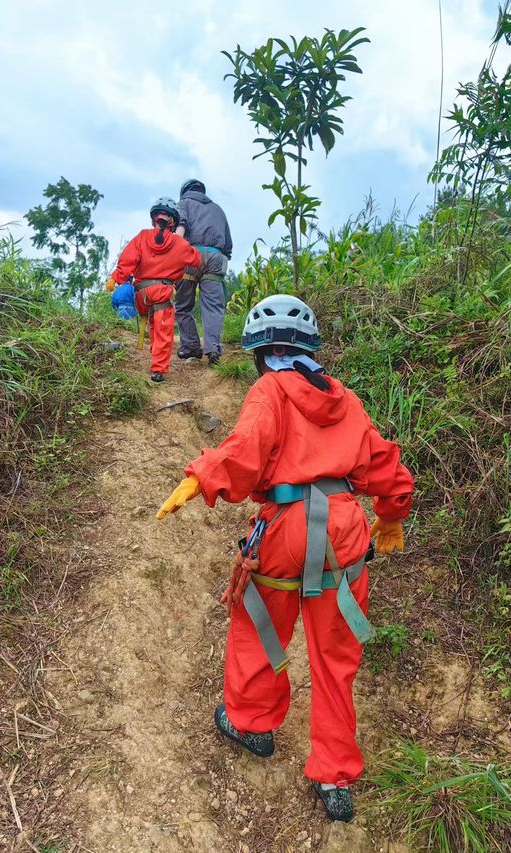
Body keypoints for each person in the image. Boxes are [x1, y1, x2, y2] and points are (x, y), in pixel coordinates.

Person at [156, 294, 414, 821]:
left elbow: (245, 454)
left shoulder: (269, 390)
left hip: (285, 527)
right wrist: (390, 514)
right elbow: (383, 462)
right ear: (309, 348)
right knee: (335, 657)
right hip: (343, 532)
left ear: (258, 352)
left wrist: (200, 476)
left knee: (258, 624)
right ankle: (335, 777)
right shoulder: (346, 399)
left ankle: (252, 725)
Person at [105, 199, 203, 382]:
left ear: (153, 220)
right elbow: (197, 260)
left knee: (152, 322)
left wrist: (115, 279)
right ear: (173, 222)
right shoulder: (178, 243)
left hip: (141, 295)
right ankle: (158, 369)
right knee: (163, 330)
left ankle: (153, 351)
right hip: (162, 294)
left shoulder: (142, 237)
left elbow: (127, 261)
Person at [174, 179, 233, 366]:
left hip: (190, 255)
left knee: (183, 305)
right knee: (214, 307)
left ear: (184, 192)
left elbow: (180, 227)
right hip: (216, 257)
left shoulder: (183, 203)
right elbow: (228, 244)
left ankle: (191, 346)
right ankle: (213, 349)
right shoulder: (218, 209)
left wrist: (174, 253)